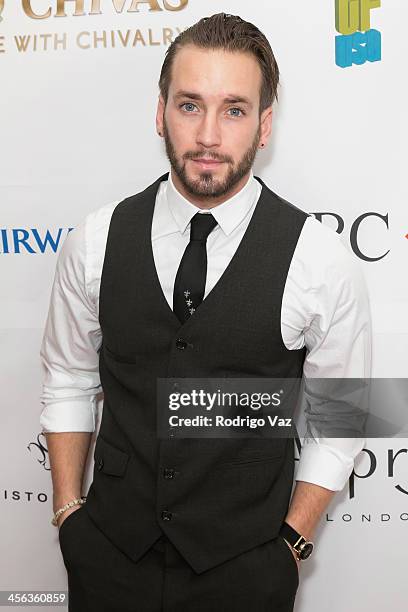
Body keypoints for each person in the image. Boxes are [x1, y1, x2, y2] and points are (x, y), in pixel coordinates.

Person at [40, 12, 372, 612]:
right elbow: (67, 377)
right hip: (108, 560)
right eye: (190, 105)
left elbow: (342, 412)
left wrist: (291, 543)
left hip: (246, 571)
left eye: (235, 110)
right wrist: (69, 513)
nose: (210, 135)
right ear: (160, 110)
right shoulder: (94, 241)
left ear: (265, 124)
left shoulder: (319, 259)